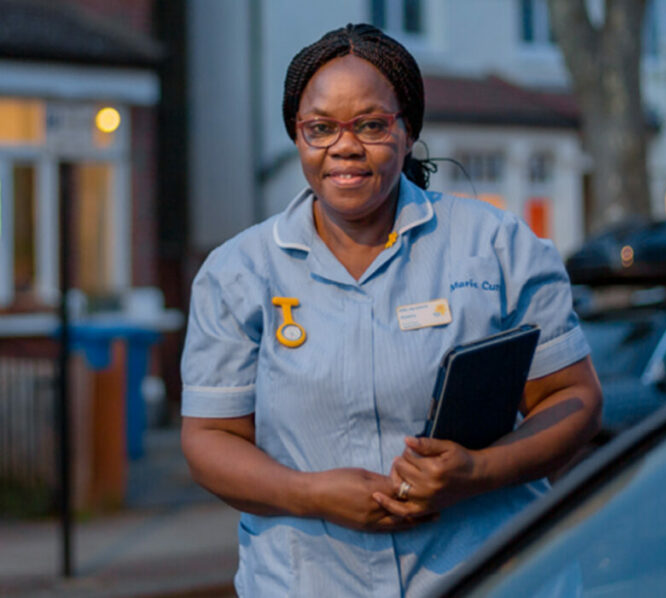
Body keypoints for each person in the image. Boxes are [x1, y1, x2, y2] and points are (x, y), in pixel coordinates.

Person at [179, 23, 602, 597]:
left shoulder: (498, 245)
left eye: (372, 125)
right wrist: (313, 494)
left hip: (491, 577)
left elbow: (574, 399)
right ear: (297, 137)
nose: (345, 147)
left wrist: (478, 473)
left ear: (408, 132)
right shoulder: (238, 273)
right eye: (320, 128)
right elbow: (209, 438)